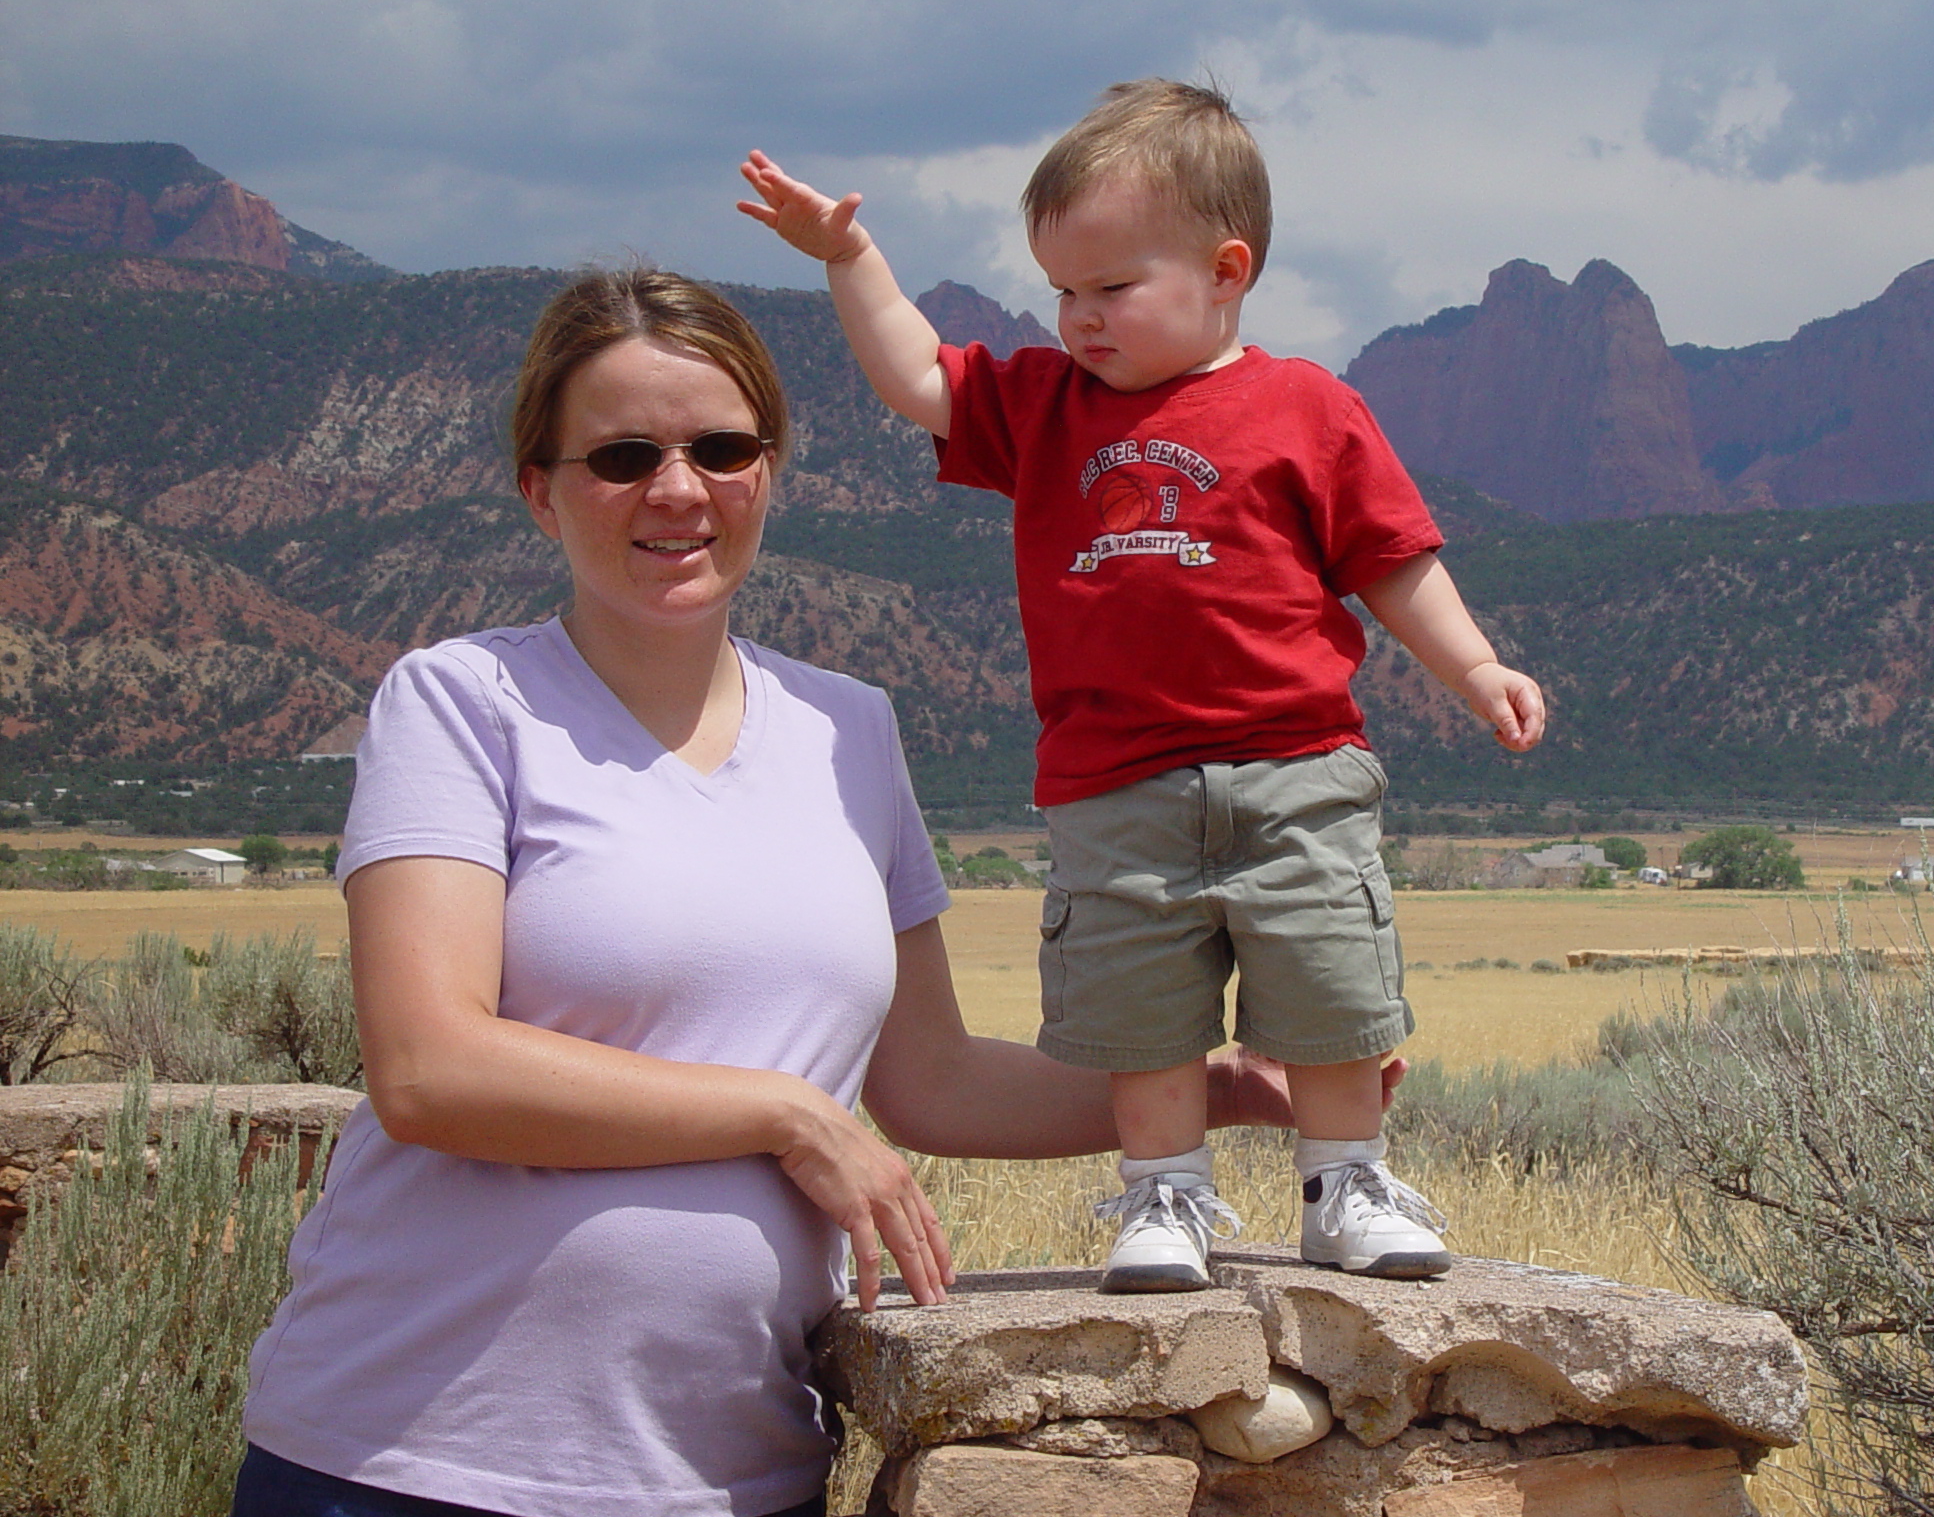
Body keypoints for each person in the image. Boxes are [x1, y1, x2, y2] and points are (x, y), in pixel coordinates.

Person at [232, 267, 1298, 1517]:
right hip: (411, 1459)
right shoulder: (462, 705)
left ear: (769, 472)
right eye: (621, 455)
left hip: (729, 1475)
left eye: (720, 448)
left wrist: (1216, 1084)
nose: (677, 490)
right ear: (542, 493)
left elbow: (930, 1079)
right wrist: (791, 1116)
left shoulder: (851, 730)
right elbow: (428, 1070)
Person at [738, 79, 1546, 1297]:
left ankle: (1346, 1184)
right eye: (1061, 291)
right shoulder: (1044, 407)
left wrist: (1476, 667)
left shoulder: (1307, 406)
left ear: (1227, 270)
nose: (1078, 319)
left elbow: (1391, 561)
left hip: (1298, 768)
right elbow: (917, 378)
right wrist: (849, 253)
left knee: (1330, 994)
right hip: (1112, 786)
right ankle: (1163, 1196)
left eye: (1111, 289)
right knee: (1143, 1009)